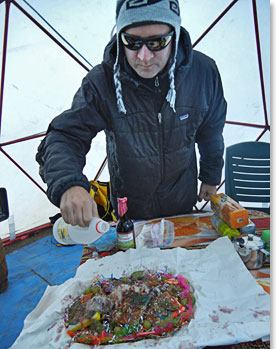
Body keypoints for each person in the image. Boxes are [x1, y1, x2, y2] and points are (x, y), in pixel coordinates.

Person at [36, 0, 227, 227]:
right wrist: (69, 184)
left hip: (181, 204)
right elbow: (66, 135)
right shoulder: (101, 82)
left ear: (174, 36)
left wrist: (211, 175)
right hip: (131, 212)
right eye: (132, 42)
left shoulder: (203, 73)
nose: (144, 57)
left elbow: (211, 130)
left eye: (157, 42)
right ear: (119, 37)